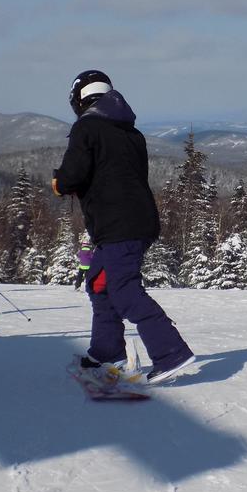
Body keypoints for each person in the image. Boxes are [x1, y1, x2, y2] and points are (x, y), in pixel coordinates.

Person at [52, 69, 195, 384]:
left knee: (124, 289)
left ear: (79, 98)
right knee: (100, 283)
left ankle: (171, 353)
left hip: (118, 225)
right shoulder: (131, 132)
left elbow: (73, 176)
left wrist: (58, 182)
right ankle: (107, 351)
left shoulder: (86, 128)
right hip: (133, 221)